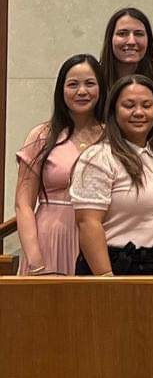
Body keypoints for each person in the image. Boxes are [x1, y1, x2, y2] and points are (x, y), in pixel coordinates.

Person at [70, 75, 153, 275]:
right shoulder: (98, 157)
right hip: (114, 266)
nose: (139, 112)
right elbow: (88, 223)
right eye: (129, 105)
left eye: (147, 105)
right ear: (113, 111)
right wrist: (106, 278)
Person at [14, 54, 106, 276]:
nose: (81, 91)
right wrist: (35, 260)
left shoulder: (113, 136)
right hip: (50, 241)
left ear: (101, 89)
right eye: (73, 84)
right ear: (61, 90)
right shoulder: (42, 135)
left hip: (100, 240)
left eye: (90, 84)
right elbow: (23, 204)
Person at [99, 7, 153, 111]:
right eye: (122, 33)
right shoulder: (93, 86)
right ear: (110, 39)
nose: (131, 41)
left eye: (139, 34)